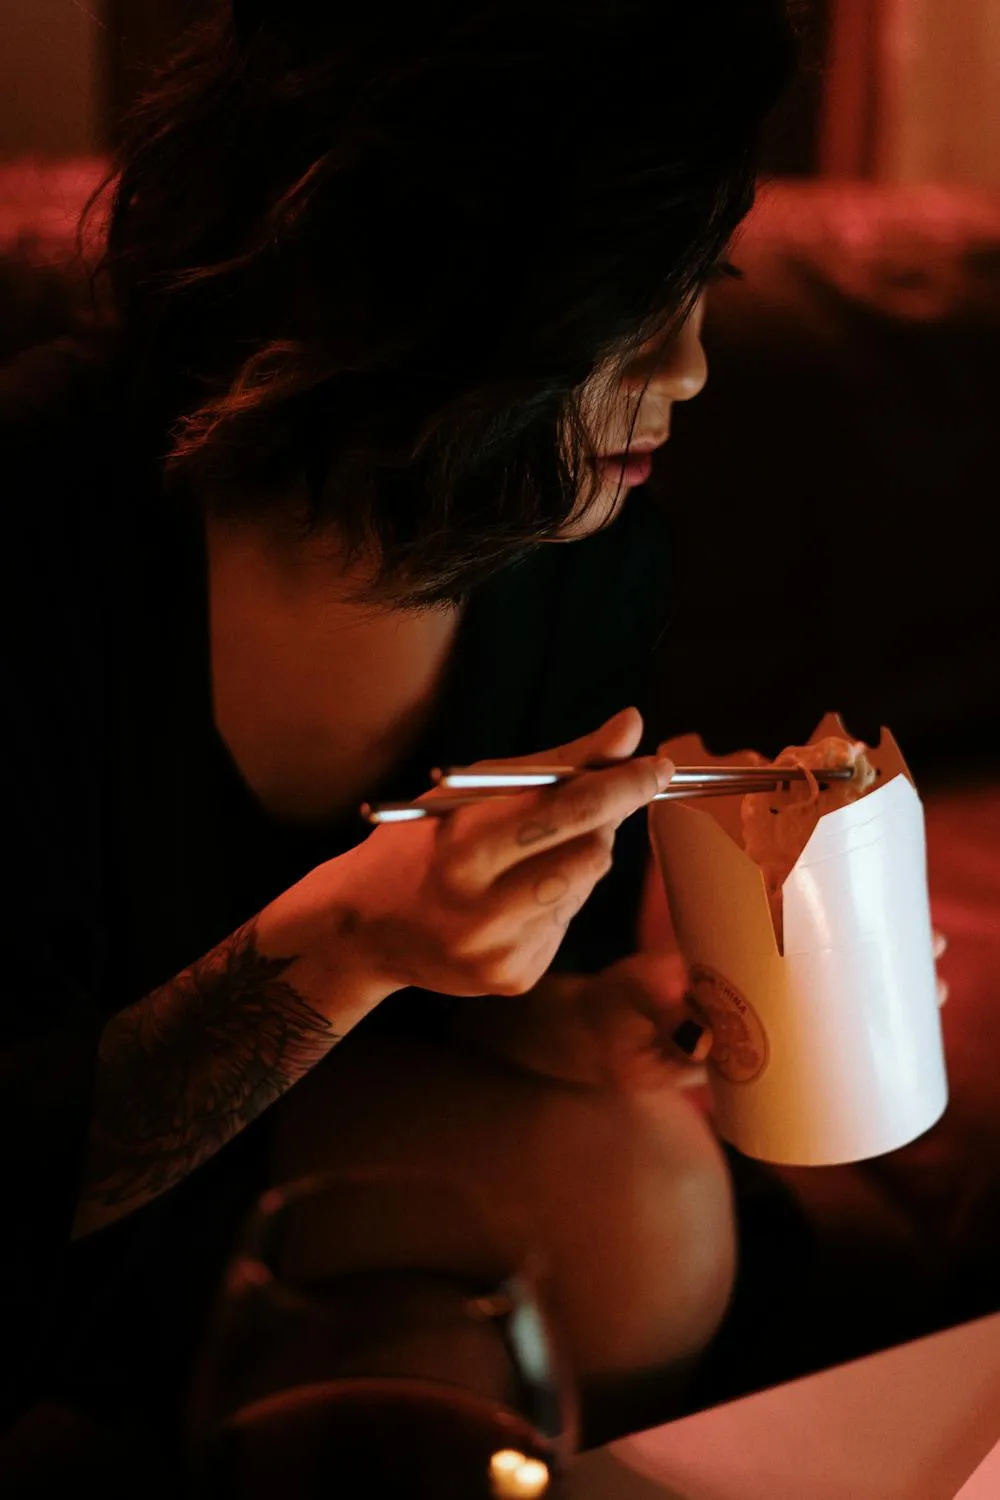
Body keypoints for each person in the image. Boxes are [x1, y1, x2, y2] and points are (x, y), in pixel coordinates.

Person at [0, 0, 800, 1477]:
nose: (689, 368)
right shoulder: (46, 512)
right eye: (633, 304)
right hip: (72, 1217)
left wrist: (560, 1021)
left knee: (657, 1196)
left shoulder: (588, 550)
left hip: (323, 1169)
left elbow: (478, 1015)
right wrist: (350, 933)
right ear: (428, 288)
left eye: (705, 287)